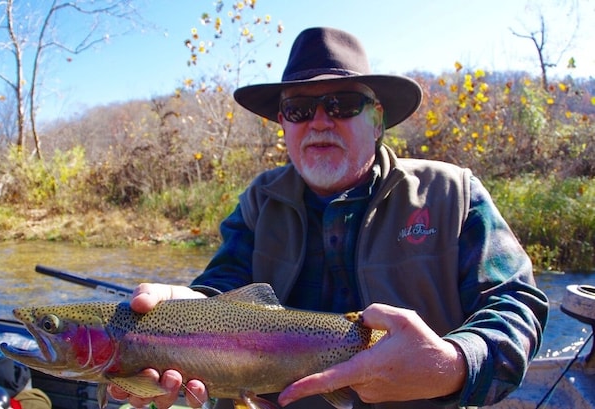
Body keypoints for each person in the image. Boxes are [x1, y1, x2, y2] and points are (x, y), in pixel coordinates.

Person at [109, 27, 549, 409]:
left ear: (377, 120)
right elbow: (221, 286)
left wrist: (452, 365)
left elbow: (516, 306)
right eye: (299, 109)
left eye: (342, 104)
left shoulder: (452, 193)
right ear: (284, 123)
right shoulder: (259, 201)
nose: (319, 121)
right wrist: (191, 317)